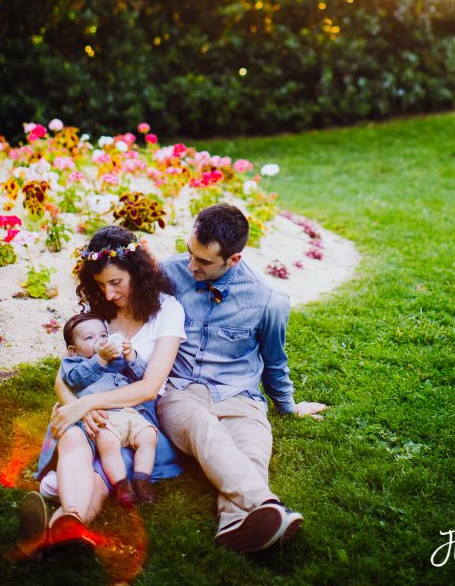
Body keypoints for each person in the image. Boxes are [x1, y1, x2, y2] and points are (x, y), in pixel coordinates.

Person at [157, 202, 327, 554]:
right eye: (190, 253)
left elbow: (275, 360)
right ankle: (267, 504)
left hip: (240, 395)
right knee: (203, 425)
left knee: (251, 450)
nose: (192, 265)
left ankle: (234, 523)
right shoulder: (167, 275)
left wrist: (288, 406)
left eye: (204, 262)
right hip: (181, 391)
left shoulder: (268, 301)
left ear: (233, 259)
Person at [19, 226, 186, 554]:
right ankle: (67, 525)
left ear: (137, 272)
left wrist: (86, 404)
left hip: (134, 416)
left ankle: (59, 525)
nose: (108, 295)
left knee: (102, 468)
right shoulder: (99, 311)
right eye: (100, 285)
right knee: (73, 437)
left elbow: (150, 387)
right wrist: (77, 408)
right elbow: (62, 379)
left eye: (115, 282)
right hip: (91, 413)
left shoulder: (168, 311)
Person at [59, 312, 160, 506]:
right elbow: (75, 380)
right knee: (108, 444)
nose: (100, 341)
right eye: (90, 338)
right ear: (73, 350)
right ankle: (121, 486)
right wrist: (100, 360)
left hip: (129, 412)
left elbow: (140, 378)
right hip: (104, 417)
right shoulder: (73, 363)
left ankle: (142, 480)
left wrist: (131, 356)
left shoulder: (117, 360)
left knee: (149, 436)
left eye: (103, 335)